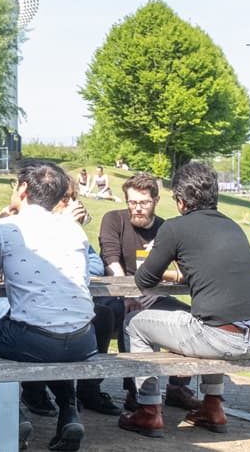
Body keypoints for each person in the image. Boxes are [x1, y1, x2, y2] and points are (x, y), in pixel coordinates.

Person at [119, 162, 250, 437]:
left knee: (134, 323)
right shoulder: (232, 226)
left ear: (180, 201)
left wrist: (161, 255)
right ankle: (212, 406)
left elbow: (144, 281)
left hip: (221, 338)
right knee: (208, 317)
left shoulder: (175, 228)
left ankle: (148, 410)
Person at [0, 162, 98, 451]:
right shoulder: (74, 229)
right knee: (57, 343)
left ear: (23, 189)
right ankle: (69, 414)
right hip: (84, 338)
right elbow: (84, 278)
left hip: (34, 338)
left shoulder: (6, 227)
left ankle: (14, 418)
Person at [92, 172, 200, 414]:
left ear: (156, 201)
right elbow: (111, 259)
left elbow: (180, 269)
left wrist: (157, 291)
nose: (138, 208)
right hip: (117, 292)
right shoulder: (113, 220)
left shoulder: (166, 228)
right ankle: (134, 391)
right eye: (132, 202)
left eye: (144, 203)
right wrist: (128, 292)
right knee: (126, 313)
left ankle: (178, 386)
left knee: (191, 316)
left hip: (155, 294)